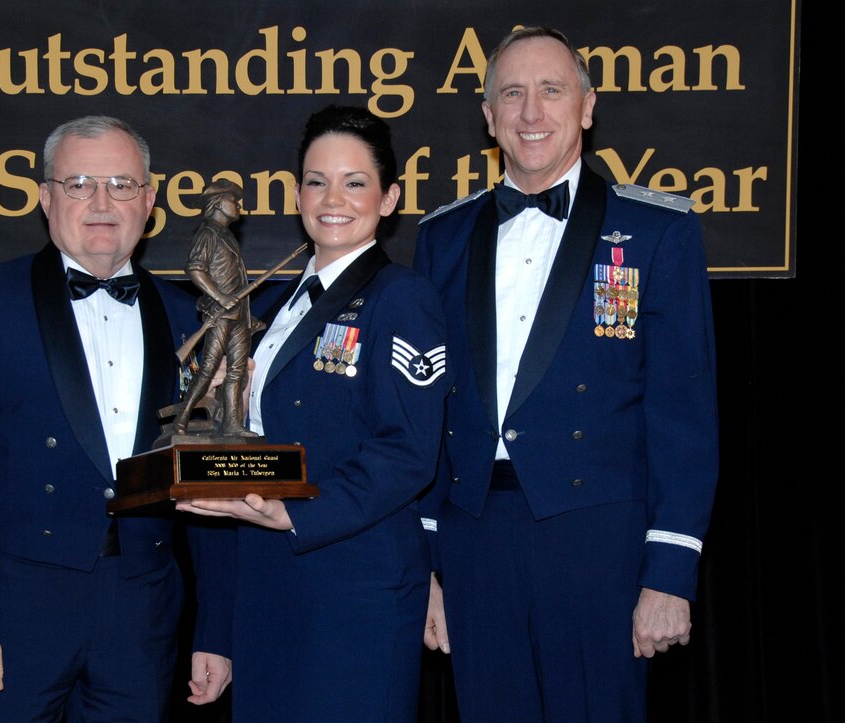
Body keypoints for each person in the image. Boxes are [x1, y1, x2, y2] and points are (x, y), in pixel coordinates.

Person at [415, 27, 718, 722]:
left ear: (586, 107)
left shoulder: (655, 232)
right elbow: (430, 413)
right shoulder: (443, 236)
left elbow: (684, 412)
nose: (531, 113)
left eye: (550, 91)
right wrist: (430, 564)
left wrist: (669, 572)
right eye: (512, 94)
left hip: (598, 540)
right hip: (475, 538)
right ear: (488, 116)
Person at [0, 115, 232, 722]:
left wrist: (216, 628)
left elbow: (209, 487)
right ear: (45, 196)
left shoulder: (190, 317)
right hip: (9, 617)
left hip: (141, 617)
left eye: (123, 185)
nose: (103, 202)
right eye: (80, 183)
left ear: (151, 200)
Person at [177, 105, 450, 721]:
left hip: (358, 593)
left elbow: (407, 452)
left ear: (389, 198)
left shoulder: (402, 299)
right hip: (270, 587)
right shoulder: (272, 309)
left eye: (355, 182)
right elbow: (248, 454)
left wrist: (297, 513)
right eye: (316, 180)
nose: (333, 198)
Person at [172, 179, 263, 437]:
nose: (238, 206)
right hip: (220, 315)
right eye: (233, 201)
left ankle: (233, 424)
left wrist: (247, 316)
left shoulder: (227, 235)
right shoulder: (208, 233)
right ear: (219, 203)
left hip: (237, 317)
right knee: (209, 369)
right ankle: (182, 418)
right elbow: (195, 269)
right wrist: (221, 298)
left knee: (237, 371)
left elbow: (234, 280)